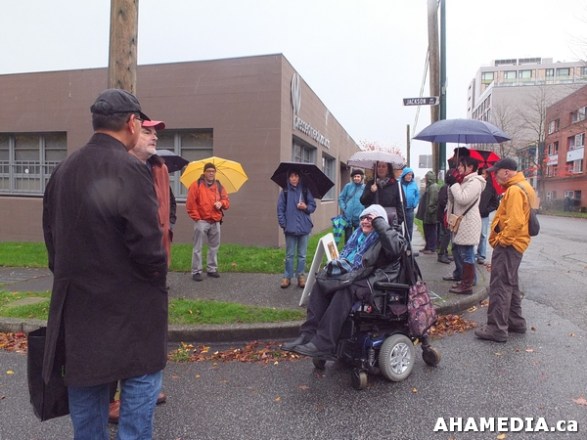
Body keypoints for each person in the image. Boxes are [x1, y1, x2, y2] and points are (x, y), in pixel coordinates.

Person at [42, 88, 168, 438]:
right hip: (130, 307)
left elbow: (52, 243)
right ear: (132, 123)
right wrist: (157, 279)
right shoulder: (130, 169)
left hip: (78, 307)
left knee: (87, 388)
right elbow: (149, 249)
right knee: (141, 379)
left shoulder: (63, 170)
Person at [281, 204, 407, 358]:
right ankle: (307, 335)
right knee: (321, 283)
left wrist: (379, 222)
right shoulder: (358, 237)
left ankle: (324, 343)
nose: (365, 221)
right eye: (363, 218)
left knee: (345, 289)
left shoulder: (388, 238)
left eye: (370, 218)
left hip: (377, 284)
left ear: (380, 221)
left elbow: (395, 249)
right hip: (358, 277)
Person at [108, 118, 171, 423]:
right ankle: (113, 398)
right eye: (147, 131)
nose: (154, 137)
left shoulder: (159, 168)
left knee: (148, 331)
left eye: (156, 133)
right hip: (121, 269)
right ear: (131, 132)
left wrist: (168, 229)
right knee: (117, 334)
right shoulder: (115, 167)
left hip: (154, 261)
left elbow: (166, 206)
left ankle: (143, 388)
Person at [475, 158, 537, 343]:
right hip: (517, 244)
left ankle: (496, 328)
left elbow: (516, 222)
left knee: (500, 285)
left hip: (509, 246)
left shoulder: (514, 190)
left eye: (497, 172)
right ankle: (515, 322)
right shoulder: (523, 186)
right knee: (511, 283)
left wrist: (502, 241)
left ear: (507, 172)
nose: (495, 176)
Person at [444, 156, 486, 295]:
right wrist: (451, 185)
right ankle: (467, 280)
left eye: (462, 165)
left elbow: (463, 199)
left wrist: (455, 184)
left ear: (470, 167)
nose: (459, 168)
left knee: (467, 253)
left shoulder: (475, 182)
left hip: (469, 222)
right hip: (462, 221)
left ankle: (467, 285)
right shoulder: (464, 180)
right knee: (462, 252)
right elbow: (453, 200)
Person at [186, 162, 230, 281]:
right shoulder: (196, 185)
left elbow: (226, 201)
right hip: (202, 221)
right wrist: (197, 218)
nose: (211, 173)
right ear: (204, 172)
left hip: (215, 221)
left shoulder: (219, 186)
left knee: (214, 247)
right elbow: (190, 204)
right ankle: (196, 271)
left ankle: (212, 269)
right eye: (209, 171)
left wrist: (221, 203)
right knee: (198, 247)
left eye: (213, 171)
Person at [277, 169, 316, 288]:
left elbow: (313, 206)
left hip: (304, 227)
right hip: (290, 228)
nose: (294, 178)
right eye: (291, 176)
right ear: (288, 178)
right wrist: (284, 224)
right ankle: (287, 277)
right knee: (289, 255)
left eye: (296, 176)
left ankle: (301, 276)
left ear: (299, 178)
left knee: (302, 255)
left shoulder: (305, 190)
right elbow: (280, 209)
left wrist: (305, 207)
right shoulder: (285, 191)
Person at [360, 161, 406, 228]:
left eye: (383, 166)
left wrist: (398, 220)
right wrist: (371, 191)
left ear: (388, 169)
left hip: (391, 220)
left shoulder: (395, 184)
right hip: (373, 220)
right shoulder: (371, 183)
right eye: (379, 166)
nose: (380, 168)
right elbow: (363, 201)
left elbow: (401, 204)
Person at [475, 167, 499, 265]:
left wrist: (487, 209)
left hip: (484, 215)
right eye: (482, 173)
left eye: (485, 173)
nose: (483, 175)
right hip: (473, 213)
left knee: (483, 235)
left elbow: (495, 203)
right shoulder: (475, 184)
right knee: (473, 234)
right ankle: (472, 253)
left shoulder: (490, 187)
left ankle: (481, 255)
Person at [338, 169, 365, 243]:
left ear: (361, 177)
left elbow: (367, 200)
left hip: (359, 216)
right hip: (348, 216)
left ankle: (355, 250)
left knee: (357, 237)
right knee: (348, 237)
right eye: (355, 176)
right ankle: (347, 249)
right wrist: (344, 208)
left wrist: (363, 211)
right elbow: (341, 198)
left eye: (358, 176)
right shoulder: (348, 186)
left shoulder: (364, 188)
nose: (356, 178)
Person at [415, 170, 439, 254]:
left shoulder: (433, 187)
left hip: (430, 214)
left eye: (426, 177)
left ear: (429, 178)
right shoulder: (429, 187)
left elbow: (433, 201)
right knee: (427, 230)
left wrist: (429, 211)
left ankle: (431, 248)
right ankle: (428, 246)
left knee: (431, 231)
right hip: (427, 214)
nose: (425, 179)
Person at [400, 167, 420, 241]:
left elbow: (417, 195)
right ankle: (399, 243)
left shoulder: (414, 184)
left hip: (410, 209)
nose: (410, 176)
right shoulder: (399, 183)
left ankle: (408, 244)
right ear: (404, 175)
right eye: (408, 175)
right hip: (400, 209)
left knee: (409, 228)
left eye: (411, 175)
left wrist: (414, 204)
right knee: (398, 227)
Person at [436, 180, 452, 264]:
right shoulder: (445, 187)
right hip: (444, 215)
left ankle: (444, 253)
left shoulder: (447, 187)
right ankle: (441, 254)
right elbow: (442, 201)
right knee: (446, 234)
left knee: (447, 234)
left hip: (446, 214)